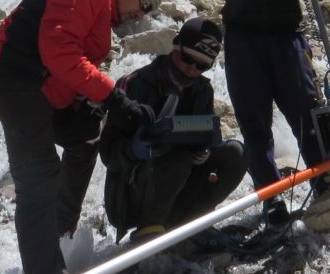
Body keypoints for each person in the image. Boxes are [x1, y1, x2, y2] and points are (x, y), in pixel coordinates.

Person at [0, 0, 164, 274]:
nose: (143, 15)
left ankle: (57, 233)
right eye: (145, 4)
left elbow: (66, 64)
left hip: (43, 91)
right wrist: (112, 96)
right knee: (39, 179)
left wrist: (98, 102)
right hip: (15, 85)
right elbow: (59, 52)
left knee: (86, 135)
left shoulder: (99, 6)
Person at [204, 0, 329, 225]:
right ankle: (270, 197)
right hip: (243, 41)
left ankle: (325, 178)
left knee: (305, 108)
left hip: (285, 35)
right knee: (254, 122)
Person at [99, 17, 247, 244]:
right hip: (132, 192)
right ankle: (148, 232)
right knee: (177, 157)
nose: (191, 69)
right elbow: (109, 155)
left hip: (179, 178)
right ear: (175, 46)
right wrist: (134, 150)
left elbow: (204, 136)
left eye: (202, 66)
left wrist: (204, 152)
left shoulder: (202, 90)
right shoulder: (135, 84)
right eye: (187, 58)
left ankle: (188, 225)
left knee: (236, 153)